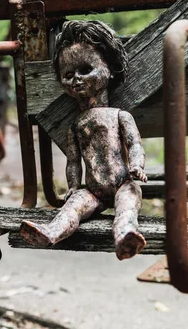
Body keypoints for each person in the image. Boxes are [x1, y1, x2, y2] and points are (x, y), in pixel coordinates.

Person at [19, 20, 147, 260]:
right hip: (93, 192)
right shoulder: (76, 125)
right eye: (68, 75)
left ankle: (125, 236)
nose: (76, 79)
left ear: (109, 70)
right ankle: (50, 232)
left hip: (124, 183)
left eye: (85, 70)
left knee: (127, 206)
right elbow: (73, 161)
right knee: (72, 207)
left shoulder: (120, 116)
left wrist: (137, 166)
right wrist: (73, 186)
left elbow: (134, 144)